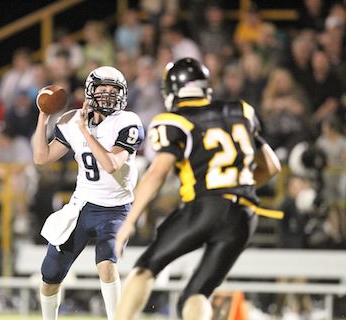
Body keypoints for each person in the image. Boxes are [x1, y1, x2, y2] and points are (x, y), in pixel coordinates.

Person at [114, 57, 282, 319]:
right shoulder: (241, 110)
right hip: (245, 214)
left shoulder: (175, 119)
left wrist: (129, 220)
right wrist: (237, 187)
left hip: (206, 206)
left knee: (146, 268)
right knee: (198, 293)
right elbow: (271, 167)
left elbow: (157, 172)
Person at [32, 66, 144, 320]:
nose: (107, 94)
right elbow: (41, 157)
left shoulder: (127, 121)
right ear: (90, 92)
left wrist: (85, 132)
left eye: (112, 90)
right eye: (102, 88)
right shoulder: (71, 120)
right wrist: (43, 117)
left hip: (116, 209)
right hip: (82, 206)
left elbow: (111, 164)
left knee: (106, 265)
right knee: (50, 275)